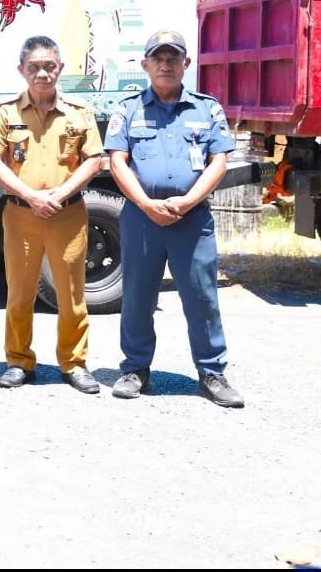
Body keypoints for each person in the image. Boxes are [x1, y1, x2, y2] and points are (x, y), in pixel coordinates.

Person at [104, 29, 244, 407]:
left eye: (173, 58)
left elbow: (218, 162)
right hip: (141, 219)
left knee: (201, 297)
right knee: (137, 296)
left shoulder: (206, 109)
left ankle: (212, 372)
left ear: (186, 64)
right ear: (145, 64)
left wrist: (187, 202)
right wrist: (146, 204)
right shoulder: (128, 109)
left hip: (192, 221)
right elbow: (117, 162)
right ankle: (135, 369)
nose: (165, 65)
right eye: (158, 58)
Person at [0, 36, 103, 394]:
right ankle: (18, 361)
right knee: (20, 294)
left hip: (67, 215)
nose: (42, 73)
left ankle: (74, 363)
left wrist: (59, 195)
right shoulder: (6, 112)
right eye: (34, 67)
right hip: (21, 215)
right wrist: (31, 196)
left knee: (71, 295)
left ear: (60, 68)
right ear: (21, 70)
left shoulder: (79, 111)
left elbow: (93, 160)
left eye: (49, 66)